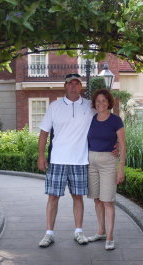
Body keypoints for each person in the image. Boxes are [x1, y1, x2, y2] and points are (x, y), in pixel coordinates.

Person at [37, 73, 95, 248]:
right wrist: (41, 156)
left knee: (78, 197)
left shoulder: (89, 106)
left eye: (77, 83)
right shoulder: (54, 106)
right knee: (53, 197)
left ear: (81, 86)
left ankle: (79, 232)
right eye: (70, 83)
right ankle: (48, 234)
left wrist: (114, 144)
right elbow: (44, 133)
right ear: (65, 85)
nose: (73, 86)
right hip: (57, 160)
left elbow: (104, 123)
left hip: (80, 160)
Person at [86, 89, 126, 250]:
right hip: (91, 161)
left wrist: (121, 168)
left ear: (109, 102)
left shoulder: (116, 120)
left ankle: (110, 237)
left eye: (103, 101)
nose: (100, 103)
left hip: (109, 161)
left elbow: (123, 145)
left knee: (107, 201)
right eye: (97, 101)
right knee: (97, 199)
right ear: (94, 104)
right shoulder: (91, 119)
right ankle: (101, 231)